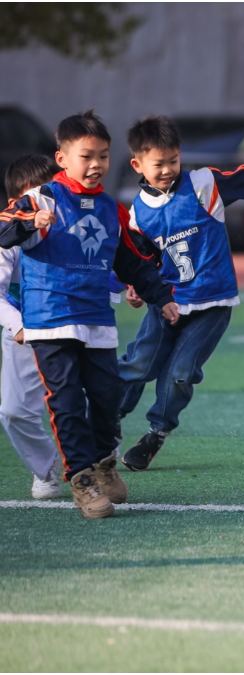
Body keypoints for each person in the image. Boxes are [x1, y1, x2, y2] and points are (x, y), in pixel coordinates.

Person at [0, 110, 178, 519]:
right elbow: (5, 227)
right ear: (62, 158)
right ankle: (81, 480)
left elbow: (131, 260)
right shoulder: (41, 198)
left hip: (96, 319)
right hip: (49, 320)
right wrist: (30, 221)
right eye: (86, 156)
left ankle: (102, 461)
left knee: (106, 398)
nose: (96, 165)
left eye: (103, 156)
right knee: (65, 402)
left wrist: (159, 295)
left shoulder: (111, 209)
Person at [116, 116, 244, 472]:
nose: (167, 169)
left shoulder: (203, 184)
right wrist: (136, 288)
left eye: (173, 160)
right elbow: (140, 259)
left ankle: (156, 433)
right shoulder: (137, 214)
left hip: (213, 304)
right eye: (158, 164)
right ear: (137, 165)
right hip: (168, 304)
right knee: (139, 364)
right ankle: (105, 422)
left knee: (179, 373)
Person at [0, 155, 64, 499]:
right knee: (12, 411)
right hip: (25, 332)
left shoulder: (71, 222)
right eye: (33, 198)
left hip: (69, 327)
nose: (44, 204)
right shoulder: (6, 234)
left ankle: (98, 462)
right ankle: (46, 467)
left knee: (89, 401)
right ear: (17, 203)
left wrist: (130, 285)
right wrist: (18, 326)